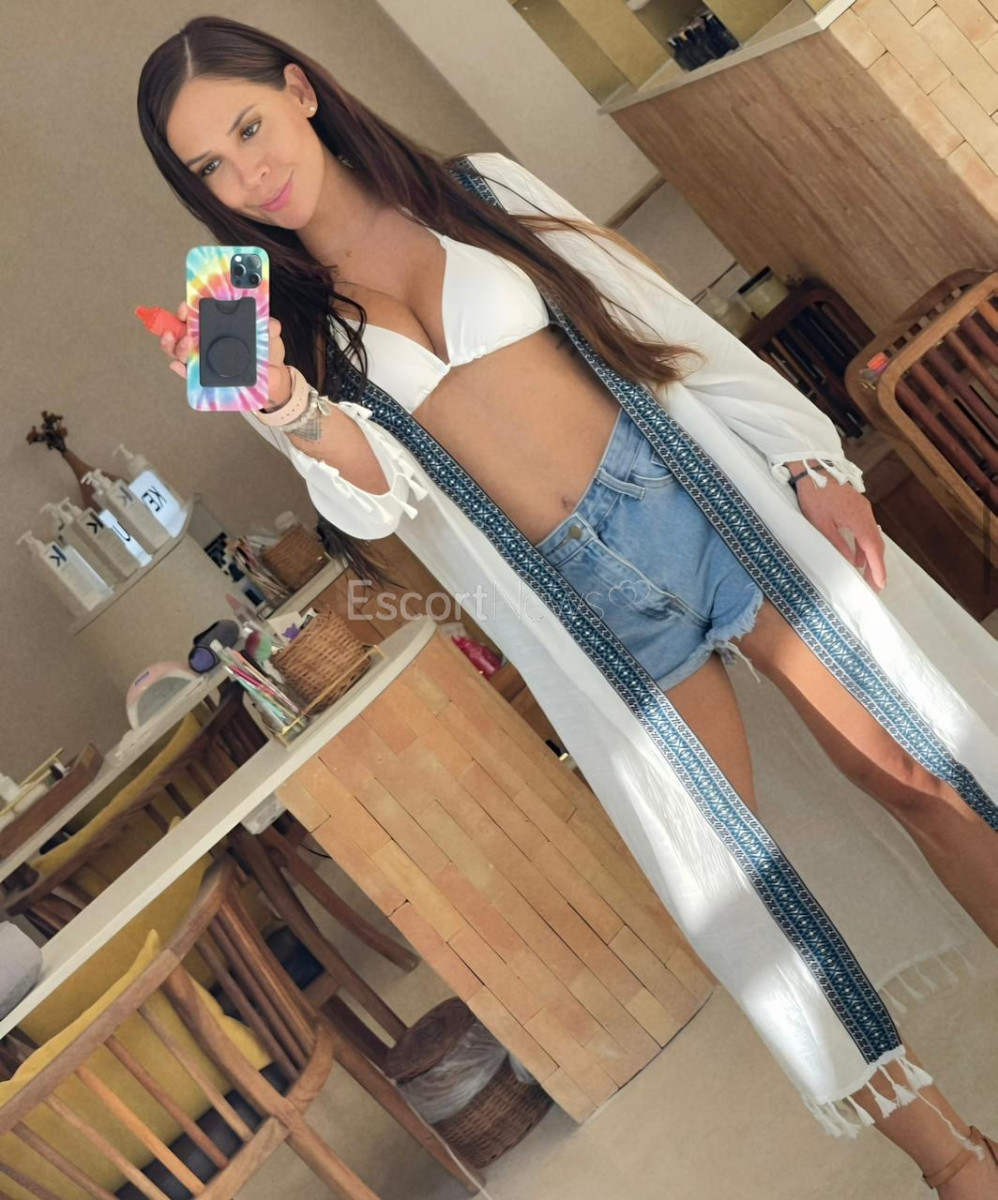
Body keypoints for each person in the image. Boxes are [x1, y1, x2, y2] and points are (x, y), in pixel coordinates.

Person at [142, 16, 998, 1195]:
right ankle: (954, 1164)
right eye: (210, 167)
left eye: (248, 128)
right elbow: (378, 500)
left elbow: (652, 317)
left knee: (911, 769)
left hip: (697, 509)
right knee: (743, 892)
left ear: (299, 90)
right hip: (584, 611)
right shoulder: (265, 329)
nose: (247, 175)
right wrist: (286, 407)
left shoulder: (475, 190)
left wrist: (807, 456)